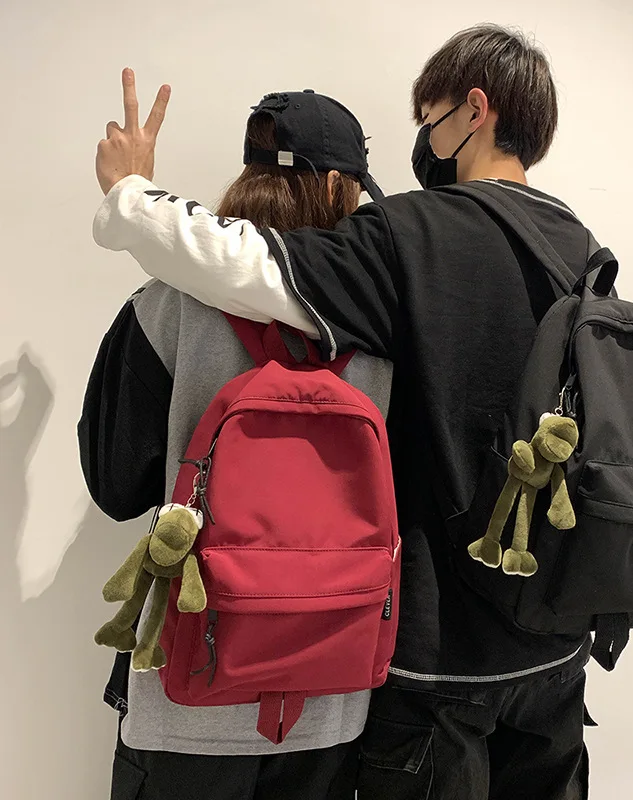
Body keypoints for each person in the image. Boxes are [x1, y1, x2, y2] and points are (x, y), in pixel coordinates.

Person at [93, 25, 596, 799]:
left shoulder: (391, 253)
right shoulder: (574, 253)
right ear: (340, 187)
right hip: (424, 671)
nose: (425, 141)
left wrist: (130, 194)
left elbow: (117, 480)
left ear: (475, 110)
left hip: (230, 686)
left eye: (429, 118)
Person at [80, 89, 392, 800]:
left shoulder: (166, 304)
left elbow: (114, 482)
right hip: (330, 700)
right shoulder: (382, 329)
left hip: (187, 692)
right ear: (339, 188)